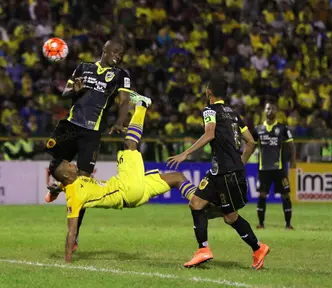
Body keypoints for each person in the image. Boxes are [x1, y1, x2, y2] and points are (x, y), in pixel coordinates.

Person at [50, 97, 199, 263]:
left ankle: (200, 202)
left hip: (135, 196)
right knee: (129, 145)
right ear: (66, 175)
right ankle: (142, 105)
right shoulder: (74, 196)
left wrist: (56, 189)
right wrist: (68, 261)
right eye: (68, 165)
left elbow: (65, 186)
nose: (72, 165)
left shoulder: (71, 183)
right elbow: (71, 231)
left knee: (177, 177)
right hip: (126, 188)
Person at [45, 39, 147, 250]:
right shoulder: (84, 67)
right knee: (56, 164)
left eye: (122, 53)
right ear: (105, 49)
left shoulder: (121, 75)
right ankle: (59, 187)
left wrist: (120, 122)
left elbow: (124, 100)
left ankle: (74, 237)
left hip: (92, 132)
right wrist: (75, 90)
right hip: (70, 126)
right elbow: (65, 92)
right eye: (116, 51)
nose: (118, 55)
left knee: (82, 182)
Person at [167, 76, 270, 270]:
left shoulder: (209, 110)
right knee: (196, 203)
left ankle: (258, 247)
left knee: (230, 216)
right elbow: (251, 142)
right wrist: (239, 163)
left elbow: (209, 134)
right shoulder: (234, 114)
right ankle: (203, 250)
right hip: (222, 171)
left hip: (225, 173)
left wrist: (185, 153)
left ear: (209, 91)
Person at [253, 100, 296, 229]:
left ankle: (288, 224)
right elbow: (250, 146)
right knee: (262, 195)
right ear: (264, 111)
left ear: (276, 111)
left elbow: (291, 146)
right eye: (268, 109)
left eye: (272, 109)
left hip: (279, 169)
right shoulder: (257, 129)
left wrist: (293, 161)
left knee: (285, 195)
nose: (270, 111)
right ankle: (261, 224)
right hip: (263, 169)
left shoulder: (283, 128)